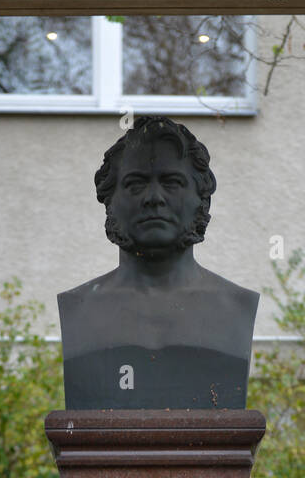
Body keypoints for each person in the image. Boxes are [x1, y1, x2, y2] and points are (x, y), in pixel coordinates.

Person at [58, 115, 258, 409]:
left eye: (172, 182)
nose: (154, 198)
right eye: (136, 184)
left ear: (201, 198)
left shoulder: (237, 307)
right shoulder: (77, 308)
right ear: (110, 199)